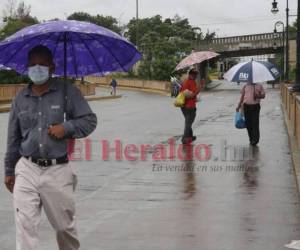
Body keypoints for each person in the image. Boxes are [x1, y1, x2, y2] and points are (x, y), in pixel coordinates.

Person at [4, 45, 97, 250]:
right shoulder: (20, 98)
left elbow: (89, 120)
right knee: (25, 226)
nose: (37, 68)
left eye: (42, 64)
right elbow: (13, 137)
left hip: (58, 169)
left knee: (64, 228)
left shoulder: (67, 92)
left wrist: (66, 127)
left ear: (52, 66)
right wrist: (9, 170)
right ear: (27, 67)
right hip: (27, 167)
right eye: (32, 64)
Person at [236, 82, 265, 146]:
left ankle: (255, 140)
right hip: (246, 106)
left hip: (255, 107)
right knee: (248, 124)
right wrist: (238, 106)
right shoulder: (245, 86)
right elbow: (242, 97)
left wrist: (258, 96)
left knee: (255, 123)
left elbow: (263, 95)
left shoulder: (259, 85)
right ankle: (251, 138)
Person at [180, 69, 205, 144]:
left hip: (184, 106)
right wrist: (201, 86)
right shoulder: (191, 82)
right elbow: (194, 94)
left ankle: (190, 137)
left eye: (196, 75)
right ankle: (184, 138)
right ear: (191, 75)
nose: (196, 76)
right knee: (188, 123)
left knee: (188, 122)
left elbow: (182, 92)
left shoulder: (185, 81)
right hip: (190, 106)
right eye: (195, 74)